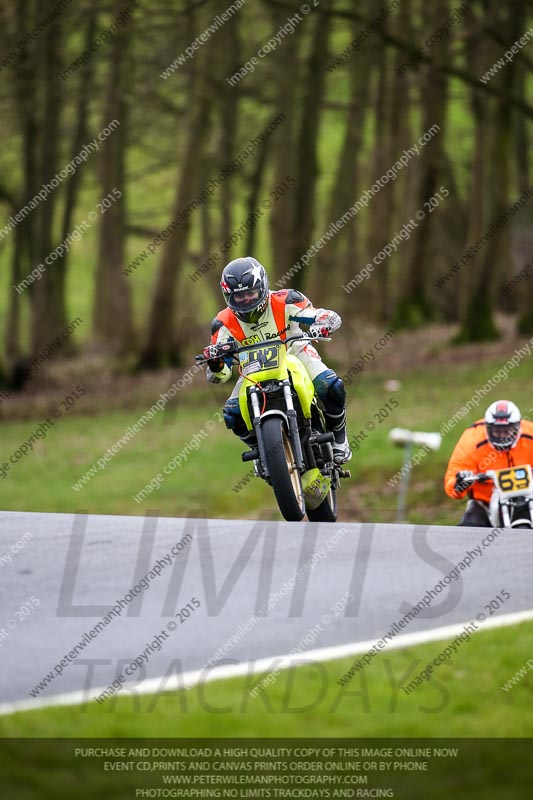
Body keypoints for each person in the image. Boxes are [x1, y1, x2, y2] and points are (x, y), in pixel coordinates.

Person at [205, 256, 352, 464]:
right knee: (232, 414)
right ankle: (260, 450)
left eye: (251, 293)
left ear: (263, 287)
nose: (246, 301)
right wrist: (216, 363)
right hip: (252, 368)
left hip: (295, 353)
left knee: (331, 386)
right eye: (239, 297)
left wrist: (325, 321)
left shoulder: (286, 300)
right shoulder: (222, 323)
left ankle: (339, 438)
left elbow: (317, 314)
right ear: (228, 296)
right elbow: (220, 376)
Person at [444, 400, 533, 526]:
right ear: (488, 429)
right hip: (486, 500)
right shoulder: (472, 439)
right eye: (497, 431)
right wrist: (460, 482)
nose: (502, 437)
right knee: (469, 526)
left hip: (528, 495)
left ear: (518, 427)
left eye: (507, 431)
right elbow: (453, 479)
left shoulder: (530, 433)